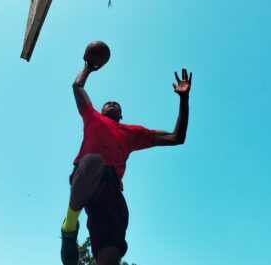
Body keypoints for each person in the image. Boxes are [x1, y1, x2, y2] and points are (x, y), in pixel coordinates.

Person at [61, 62, 192, 265]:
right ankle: (69, 228)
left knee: (110, 257)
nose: (112, 103)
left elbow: (177, 137)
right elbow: (77, 87)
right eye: (108, 102)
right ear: (101, 110)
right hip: (87, 177)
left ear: (121, 115)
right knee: (93, 161)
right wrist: (88, 67)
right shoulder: (92, 116)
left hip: (111, 189)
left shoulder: (132, 132)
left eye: (116, 104)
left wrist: (184, 99)